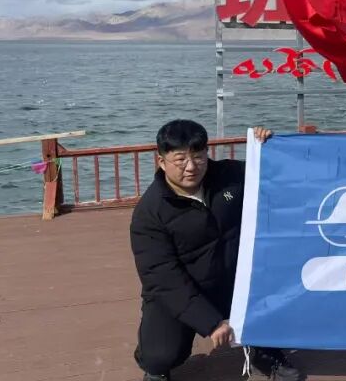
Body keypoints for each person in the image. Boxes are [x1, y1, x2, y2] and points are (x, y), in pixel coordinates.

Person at [129, 119, 302, 381]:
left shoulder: (230, 176)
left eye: (198, 157)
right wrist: (210, 322)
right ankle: (155, 367)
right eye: (180, 160)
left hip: (235, 282)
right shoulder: (149, 213)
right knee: (161, 354)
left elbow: (275, 171)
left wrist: (268, 145)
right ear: (161, 161)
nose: (191, 167)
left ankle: (264, 351)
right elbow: (162, 277)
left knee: (281, 295)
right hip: (184, 289)